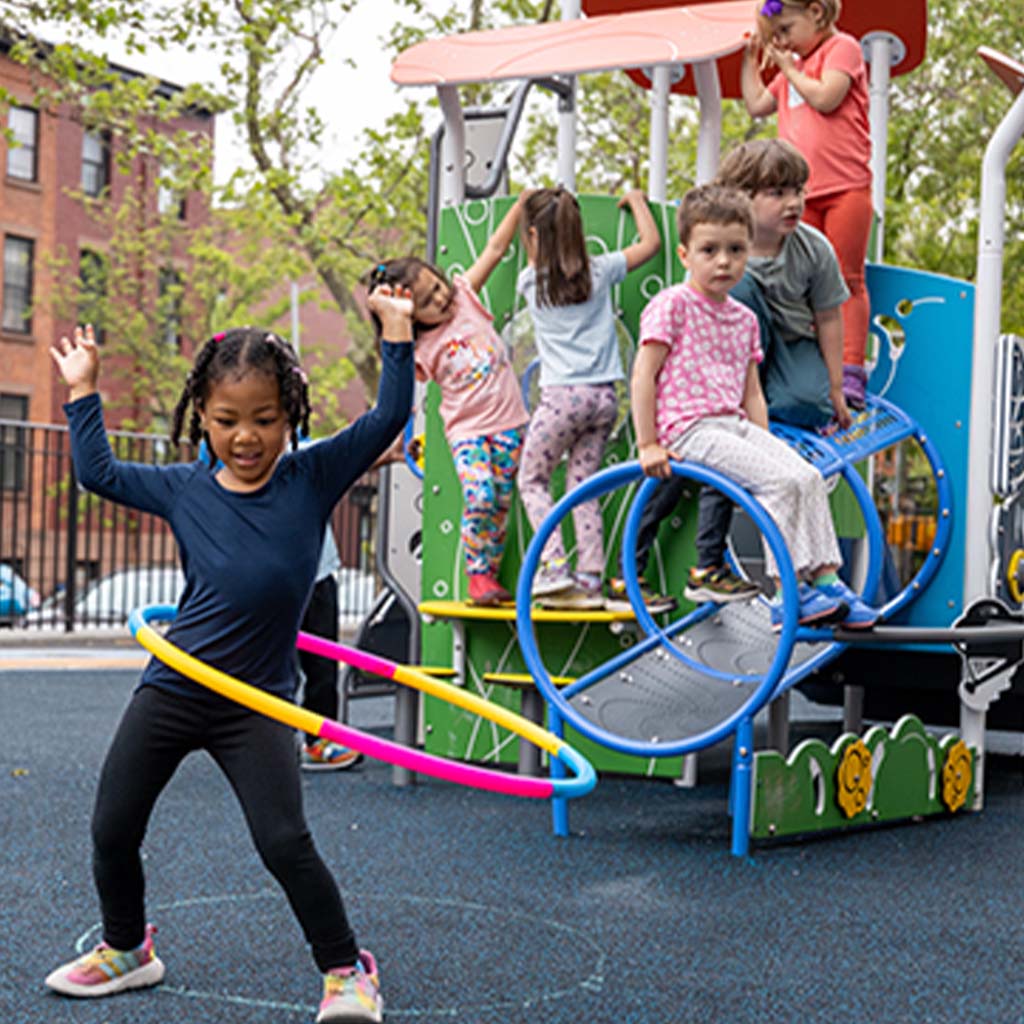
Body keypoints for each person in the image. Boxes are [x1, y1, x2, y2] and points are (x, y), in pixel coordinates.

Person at [44, 300, 415, 1023]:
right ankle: (127, 948)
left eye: (265, 419)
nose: (247, 436)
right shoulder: (184, 488)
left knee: (283, 842)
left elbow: (388, 417)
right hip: (175, 686)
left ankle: (347, 969)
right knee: (112, 826)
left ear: (290, 416)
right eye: (227, 419)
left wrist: (396, 331)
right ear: (203, 419)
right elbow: (98, 473)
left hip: (258, 702)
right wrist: (83, 389)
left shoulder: (311, 477)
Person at [631, 183, 877, 631]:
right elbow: (643, 375)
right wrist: (648, 443)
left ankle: (826, 580)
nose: (724, 261)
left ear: (749, 253)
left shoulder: (743, 319)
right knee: (779, 484)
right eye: (709, 250)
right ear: (685, 255)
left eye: (735, 250)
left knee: (807, 476)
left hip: (734, 423)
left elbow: (752, 394)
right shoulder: (672, 305)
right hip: (689, 428)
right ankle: (787, 594)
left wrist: (764, 444)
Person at [366, 195, 531, 607]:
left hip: (510, 423)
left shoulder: (465, 297)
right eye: (426, 302)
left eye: (437, 287)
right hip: (468, 431)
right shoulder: (420, 347)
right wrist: (393, 315)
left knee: (501, 504)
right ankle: (477, 573)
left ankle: (489, 576)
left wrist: (521, 206)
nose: (440, 299)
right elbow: (399, 386)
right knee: (480, 495)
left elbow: (494, 249)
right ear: (411, 314)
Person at [515, 187, 660, 609]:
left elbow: (524, 249)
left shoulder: (531, 281)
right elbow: (650, 244)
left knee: (532, 480)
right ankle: (591, 576)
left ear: (534, 237)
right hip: (604, 400)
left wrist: (523, 208)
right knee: (583, 486)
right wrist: (637, 202)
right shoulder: (601, 270)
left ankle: (554, 567)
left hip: (562, 399)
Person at [742, 0, 872, 407]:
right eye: (775, 35)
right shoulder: (792, 69)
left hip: (845, 187)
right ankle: (811, 366)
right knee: (805, 283)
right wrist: (750, 59)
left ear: (816, 12)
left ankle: (851, 369)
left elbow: (827, 97)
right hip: (799, 197)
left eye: (785, 30)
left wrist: (789, 69)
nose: (781, 42)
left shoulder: (842, 48)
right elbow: (756, 104)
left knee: (845, 278)